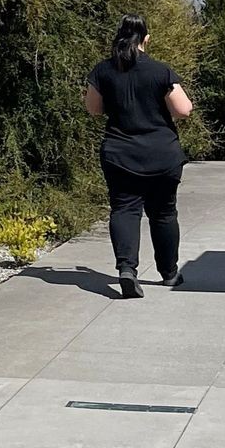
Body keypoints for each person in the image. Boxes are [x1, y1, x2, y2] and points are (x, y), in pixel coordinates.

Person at [84, 15, 193, 298]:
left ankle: (127, 270)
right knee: (164, 212)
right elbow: (183, 110)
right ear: (146, 38)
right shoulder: (160, 71)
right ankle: (169, 273)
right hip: (161, 153)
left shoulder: (103, 71)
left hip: (120, 153)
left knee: (124, 209)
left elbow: (93, 109)